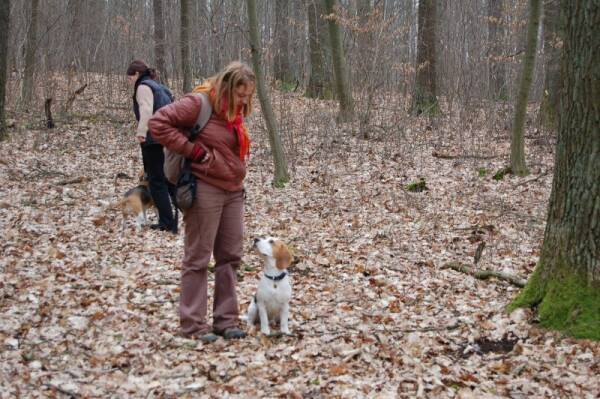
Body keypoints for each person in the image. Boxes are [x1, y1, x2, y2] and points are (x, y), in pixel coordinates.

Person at [149, 61, 255, 342]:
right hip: (204, 186)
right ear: (227, 87)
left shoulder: (233, 112)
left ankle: (226, 320)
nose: (245, 102)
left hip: (233, 188)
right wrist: (193, 151)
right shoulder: (198, 103)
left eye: (248, 96)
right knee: (198, 257)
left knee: (230, 256)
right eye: (241, 95)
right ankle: (193, 324)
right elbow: (158, 123)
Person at [127, 60, 177, 233]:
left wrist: (142, 132)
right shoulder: (160, 87)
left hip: (153, 139)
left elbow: (146, 110)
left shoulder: (142, 87)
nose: (129, 81)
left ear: (136, 74)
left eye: (129, 77)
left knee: (156, 181)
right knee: (169, 180)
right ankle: (177, 218)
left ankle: (166, 222)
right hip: (168, 138)